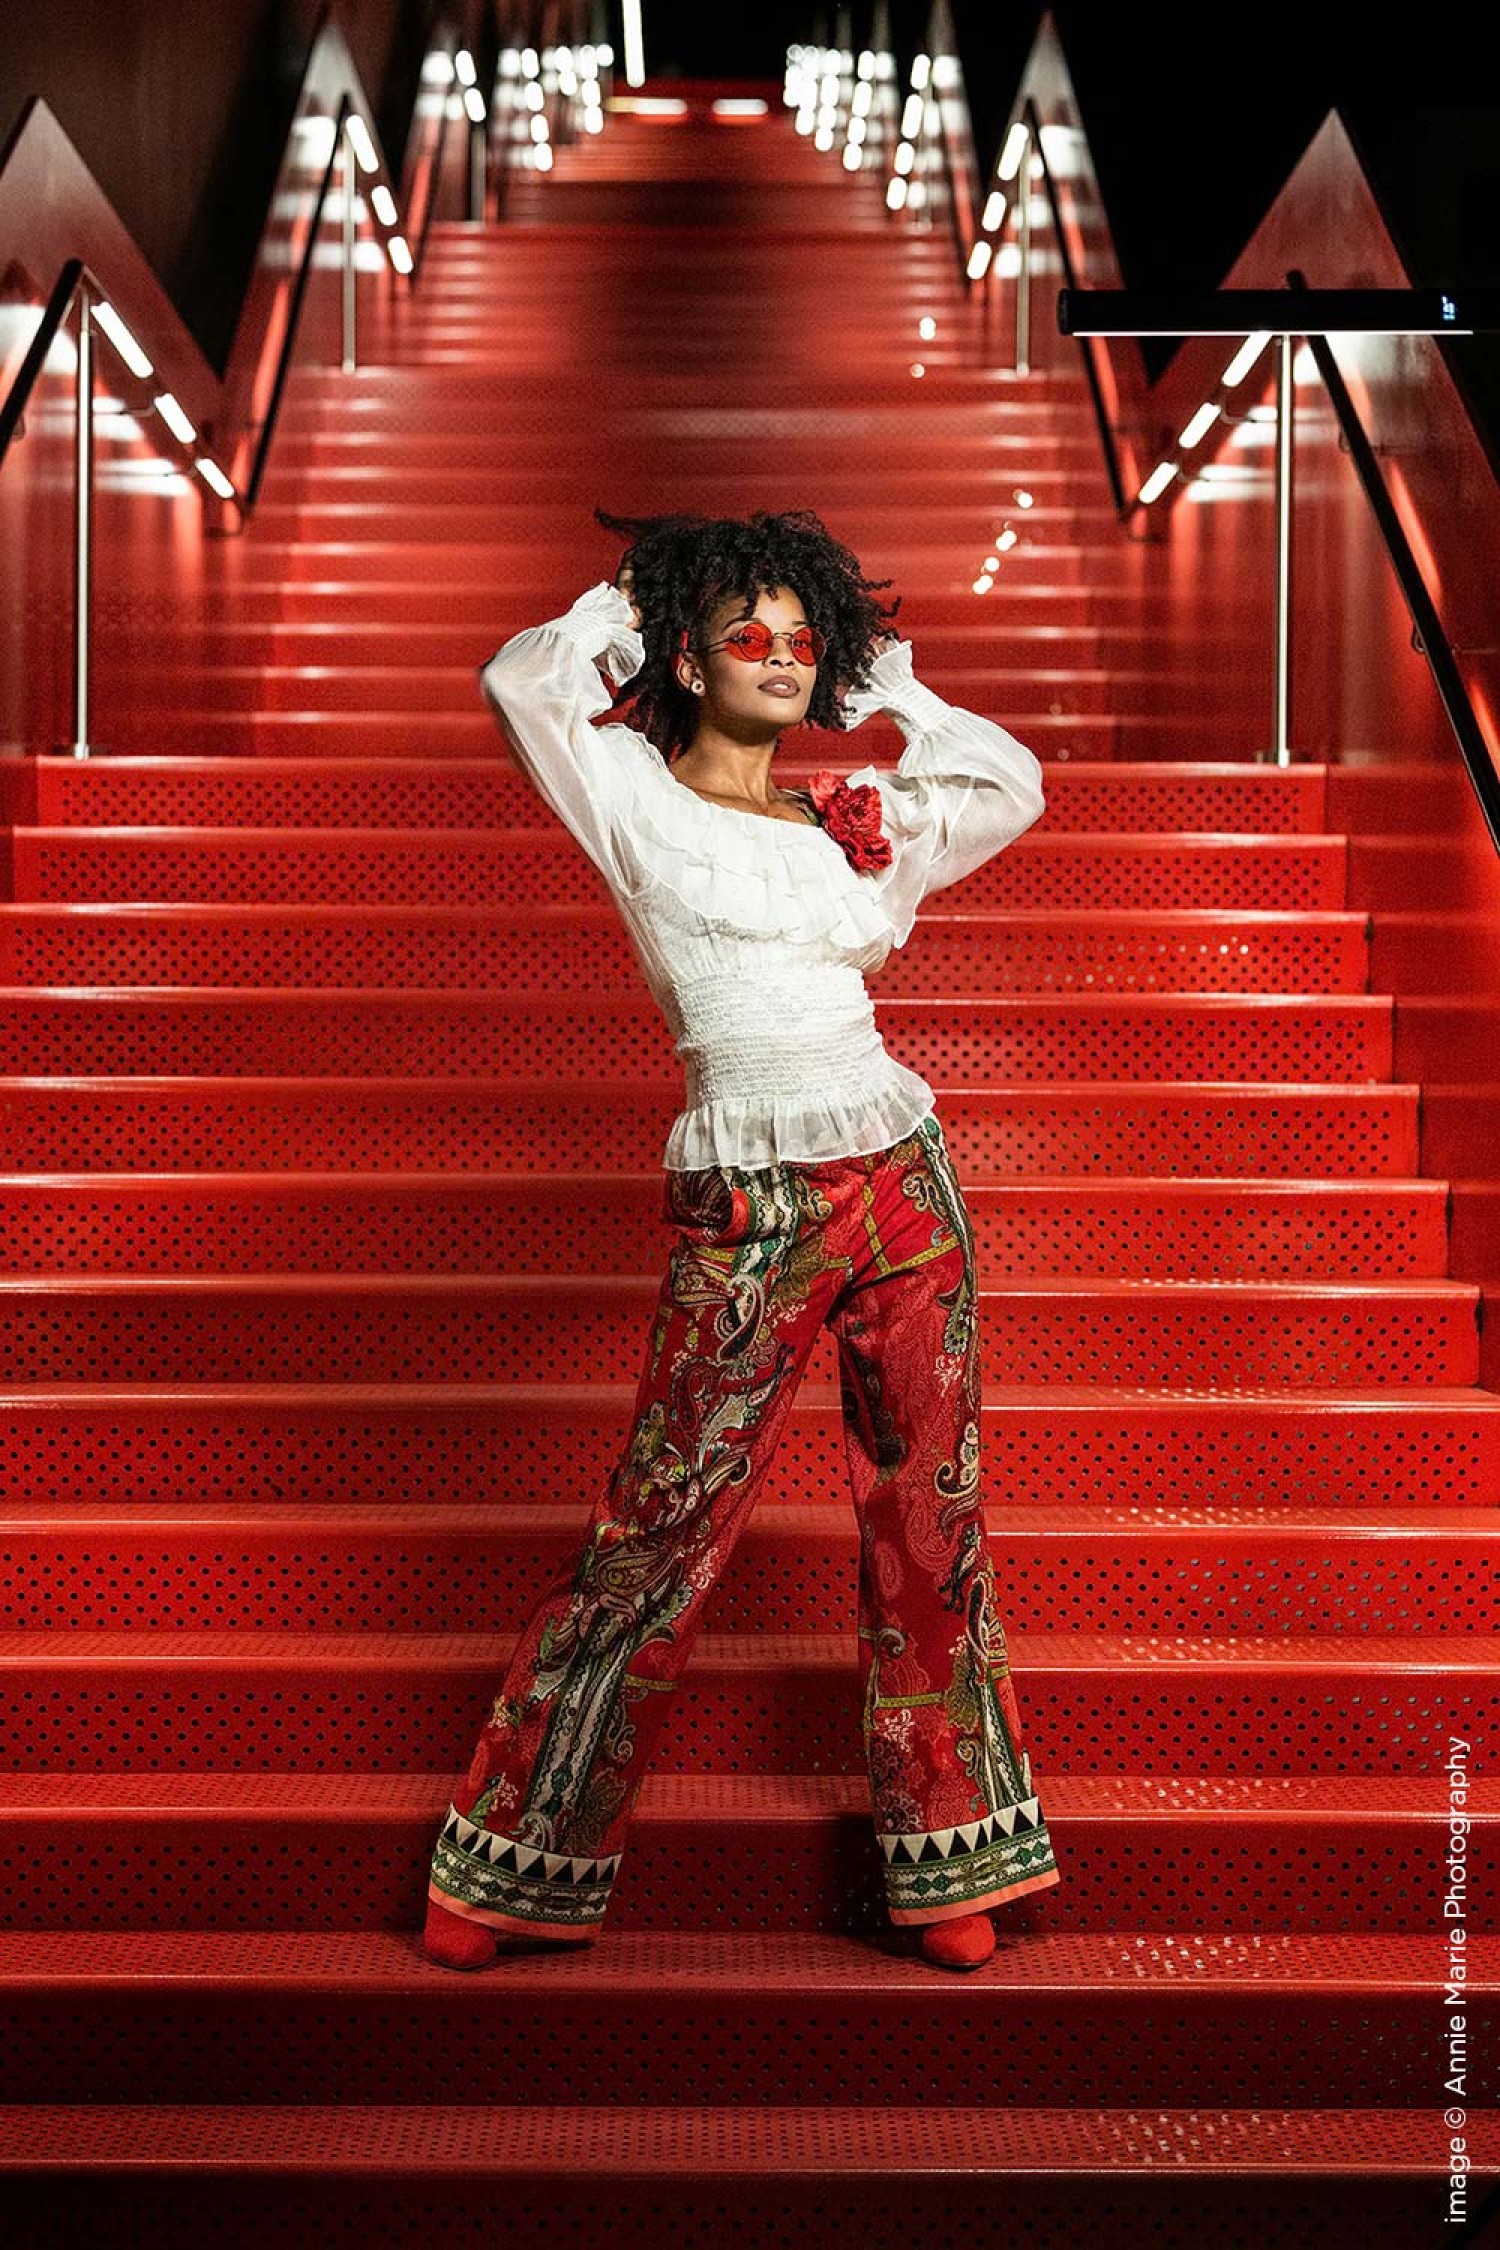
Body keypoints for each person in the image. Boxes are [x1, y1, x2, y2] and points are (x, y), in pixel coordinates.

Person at [422, 505, 1061, 1976]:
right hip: (752, 1197)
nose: (781, 656)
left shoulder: (850, 823)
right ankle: (514, 1852)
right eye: (746, 633)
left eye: (802, 637)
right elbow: (524, 682)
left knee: (930, 1519)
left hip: (904, 1179)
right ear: (689, 659)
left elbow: (1007, 784)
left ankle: (950, 1855)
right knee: (662, 1526)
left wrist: (891, 687)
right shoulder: (629, 794)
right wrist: (642, 600)